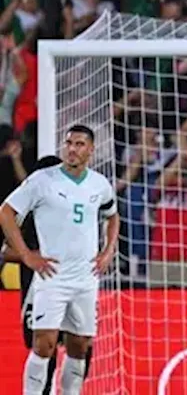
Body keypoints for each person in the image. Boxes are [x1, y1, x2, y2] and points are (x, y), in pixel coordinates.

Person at [0, 125, 118, 395]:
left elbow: (113, 215)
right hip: (51, 278)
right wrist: (28, 255)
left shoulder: (99, 184)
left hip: (86, 278)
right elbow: (5, 212)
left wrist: (108, 251)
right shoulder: (43, 180)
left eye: (79, 144)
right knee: (44, 345)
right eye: (69, 143)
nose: (72, 149)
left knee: (80, 347)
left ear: (91, 149)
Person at [2, 155, 93, 395]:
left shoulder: (78, 210)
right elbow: (4, 251)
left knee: (82, 347)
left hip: (75, 287)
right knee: (45, 351)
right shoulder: (26, 213)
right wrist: (32, 255)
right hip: (37, 290)